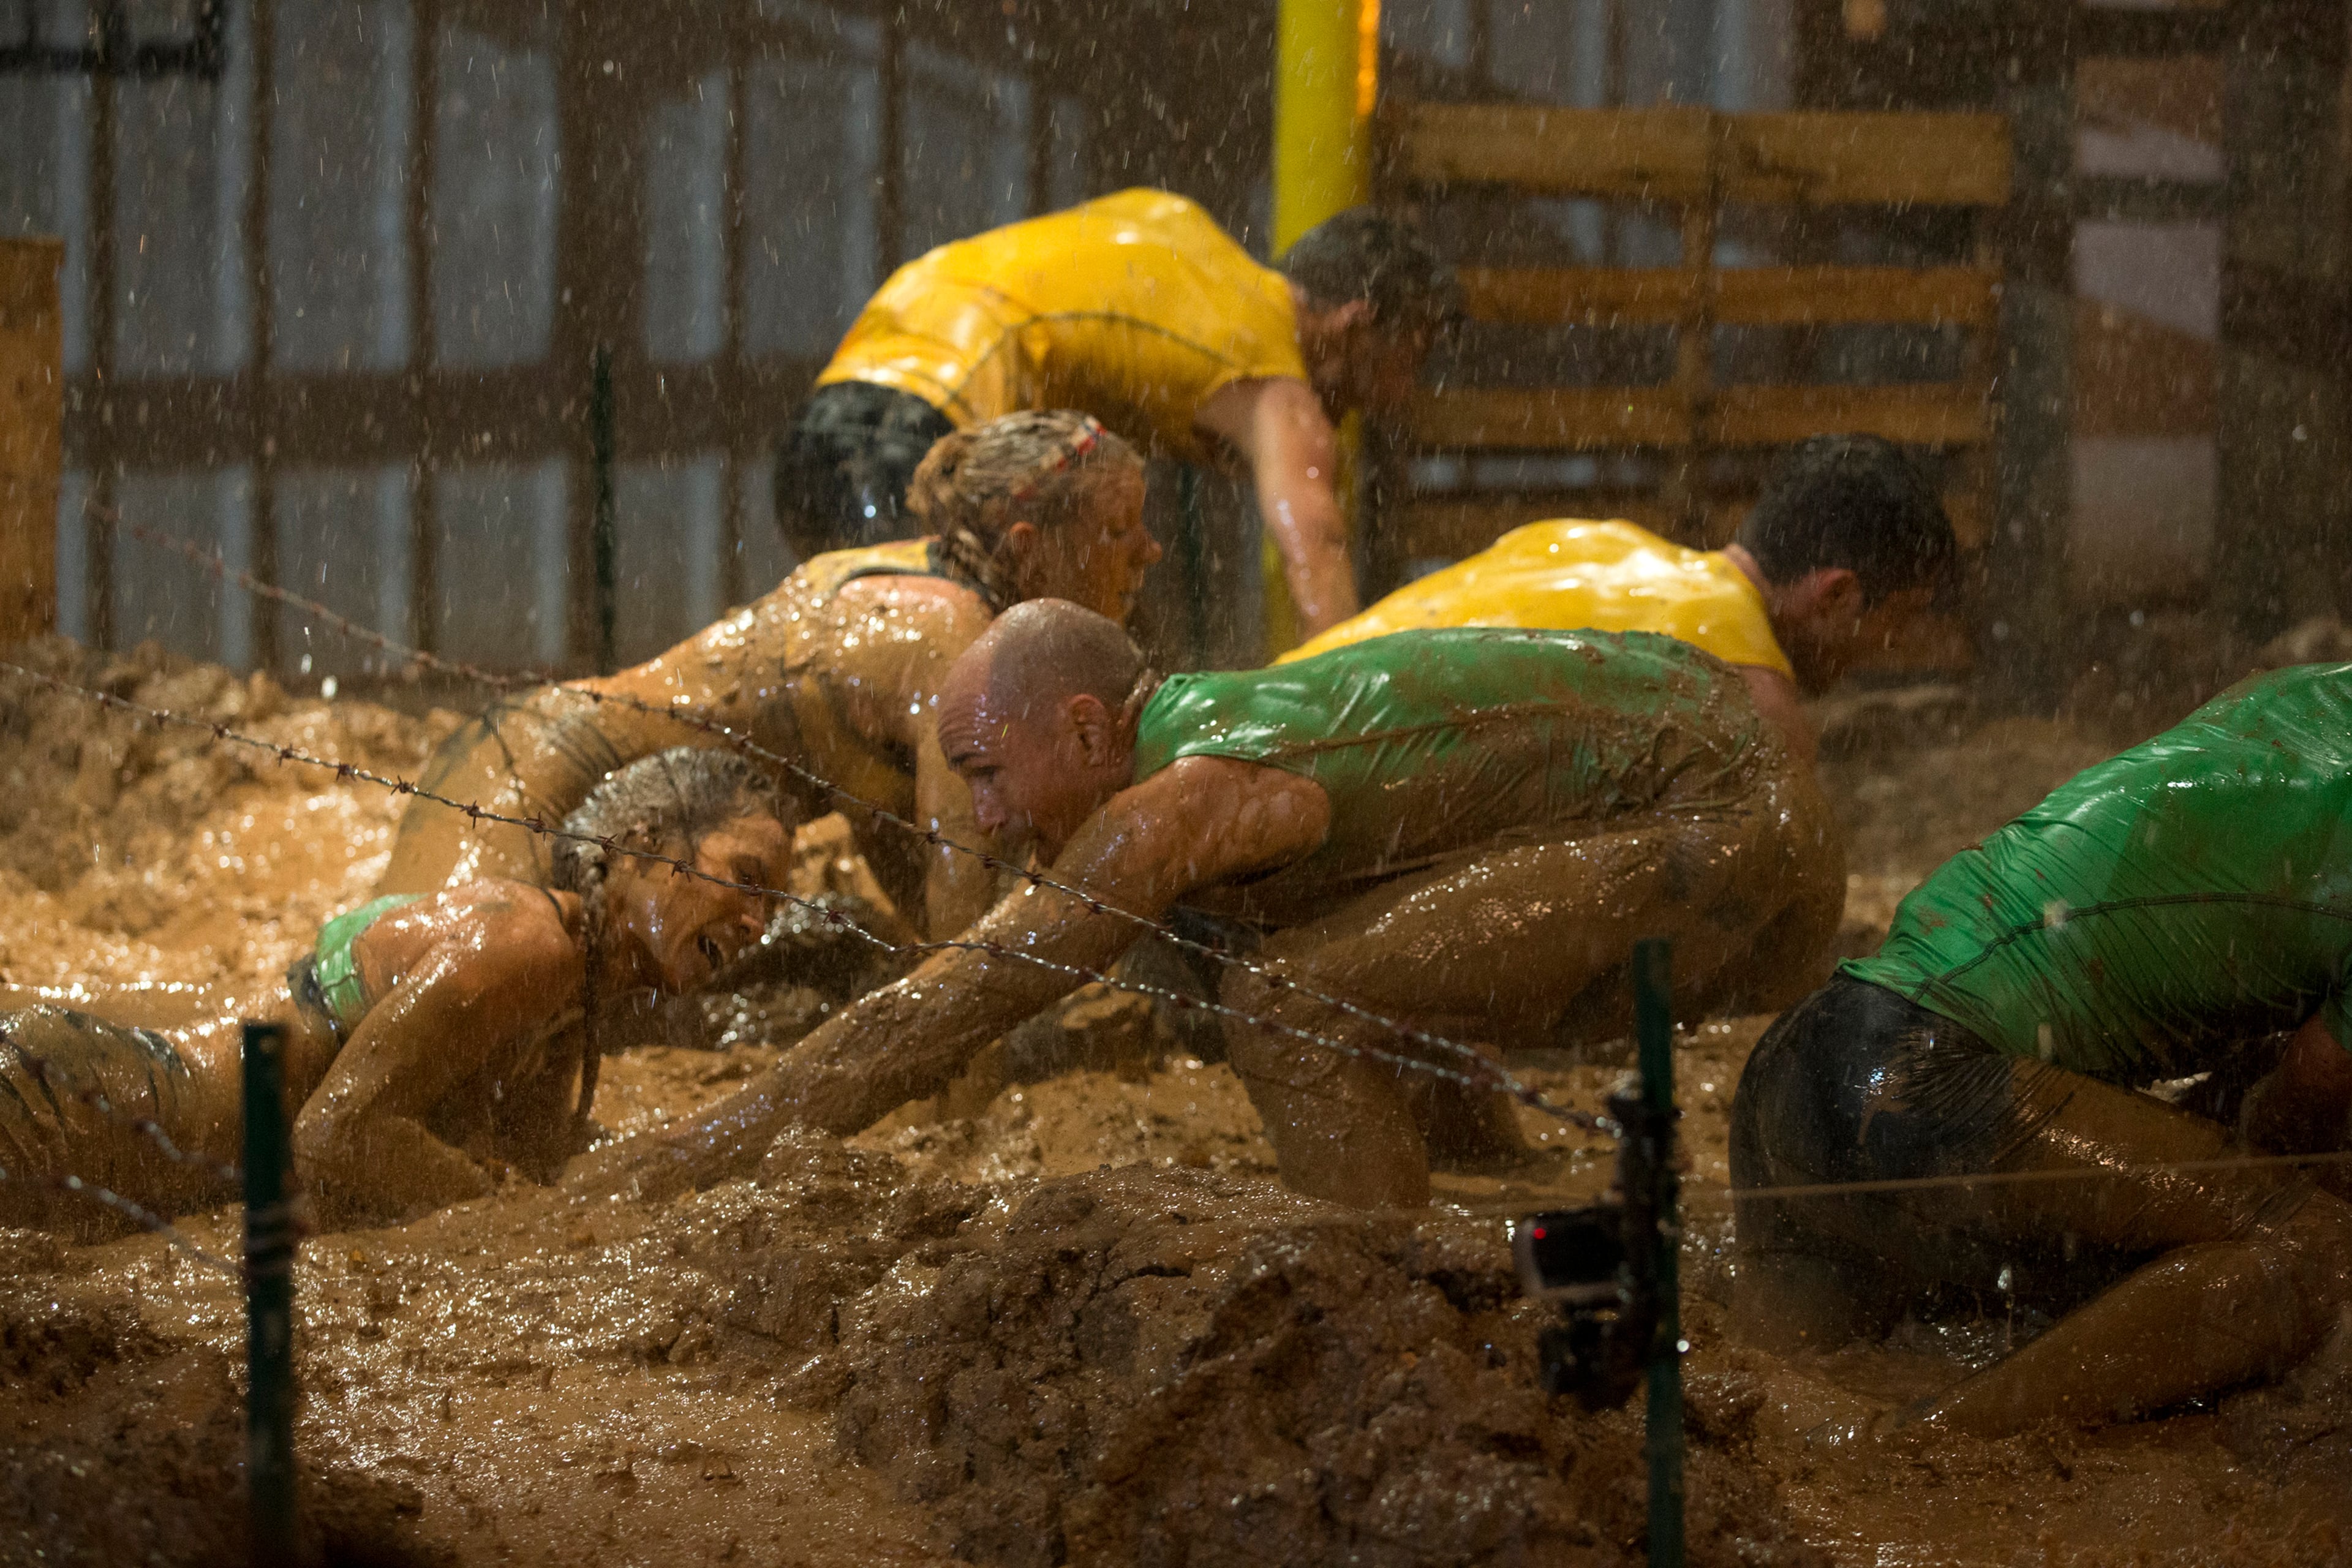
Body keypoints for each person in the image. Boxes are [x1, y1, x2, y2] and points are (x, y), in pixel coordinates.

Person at [567, 601, 1844, 1210]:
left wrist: (689, 1153)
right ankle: (1483, 1186)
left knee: (1283, 1001)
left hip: (1724, 812)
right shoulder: (1196, 741)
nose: (989, 820)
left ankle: (1397, 1287)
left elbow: (964, 999)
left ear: (1084, 728)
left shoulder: (1178, 796)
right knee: (1316, 954)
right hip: (1737, 775)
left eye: (986, 776)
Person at [1729, 662, 2352, 1437]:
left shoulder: (2311, 700)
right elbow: (2315, 1087)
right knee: (2311, 1245)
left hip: (1798, 1074)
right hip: (1922, 1093)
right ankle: (1918, 1442)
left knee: (1756, 1399)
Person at [375, 410, 1160, 940]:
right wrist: (973, 1129)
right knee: (391, 1007)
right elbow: (965, 915)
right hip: (533, 784)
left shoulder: (909, 590)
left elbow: (915, 882)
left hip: (534, 758)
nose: (1148, 553)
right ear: (1027, 547)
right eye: (1120, 530)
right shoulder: (952, 645)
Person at [0, 749, 791, 1234]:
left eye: (773, 908)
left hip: (128, 1121)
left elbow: (532, 1149)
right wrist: (499, 1208)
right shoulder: (527, 944)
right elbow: (336, 1136)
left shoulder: (574, 986)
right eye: (745, 880)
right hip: (94, 1108)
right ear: (640, 845)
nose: (758, 924)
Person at [780, 189, 1458, 638]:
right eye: (1412, 359)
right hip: (914, 441)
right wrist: (1358, 703)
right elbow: (1316, 545)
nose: (1397, 397)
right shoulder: (1273, 372)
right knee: (962, 694)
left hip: (826, 425)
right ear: (1356, 324)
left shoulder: (1176, 231)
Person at [1281, 434, 1961, 755]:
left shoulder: (1600, 543)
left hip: (1256, 707)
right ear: (1838, 596)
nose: (1888, 651)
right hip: (1304, 778)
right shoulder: (1752, 697)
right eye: (1895, 622)